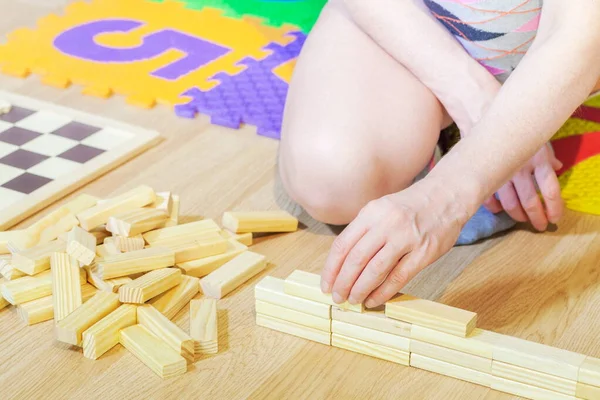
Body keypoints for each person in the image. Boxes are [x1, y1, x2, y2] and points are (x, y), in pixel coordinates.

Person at [278, 0, 600, 309]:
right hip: (418, 16)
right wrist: (475, 98)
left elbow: (579, 32)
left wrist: (446, 195)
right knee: (330, 173)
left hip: (564, 34)